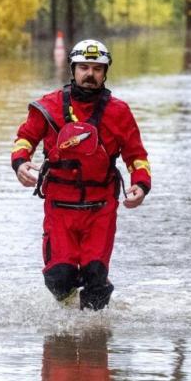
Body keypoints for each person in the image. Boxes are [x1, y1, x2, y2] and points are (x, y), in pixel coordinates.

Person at [11, 39, 151, 310]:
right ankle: (67, 325)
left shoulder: (119, 112)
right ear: (72, 69)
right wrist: (20, 163)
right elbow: (24, 139)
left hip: (101, 208)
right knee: (59, 277)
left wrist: (141, 186)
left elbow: (136, 156)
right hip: (59, 206)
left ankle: (94, 342)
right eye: (84, 67)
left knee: (96, 278)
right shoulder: (47, 106)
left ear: (105, 72)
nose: (90, 74)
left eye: (97, 68)